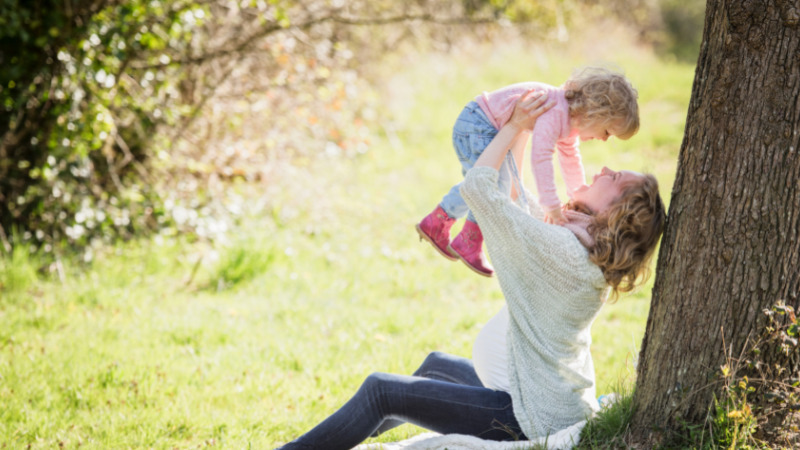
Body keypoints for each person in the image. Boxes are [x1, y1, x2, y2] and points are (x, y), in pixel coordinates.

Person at [275, 91, 665, 450]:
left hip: (528, 417)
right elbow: (519, 203)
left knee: (382, 391)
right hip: (535, 394)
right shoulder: (580, 246)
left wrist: (512, 125)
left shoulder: (563, 252)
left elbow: (480, 190)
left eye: (613, 179)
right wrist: (525, 131)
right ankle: (346, 434)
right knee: (435, 367)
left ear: (616, 214)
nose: (606, 168)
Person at [416, 67, 640, 277]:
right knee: (490, 183)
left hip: (481, 123)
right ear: (597, 112)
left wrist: (577, 195)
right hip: (478, 124)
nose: (603, 139)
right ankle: (466, 238)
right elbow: (541, 157)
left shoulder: (569, 119)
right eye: (607, 131)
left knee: (490, 183)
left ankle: (440, 223)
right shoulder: (556, 111)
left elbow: (571, 160)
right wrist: (551, 205)